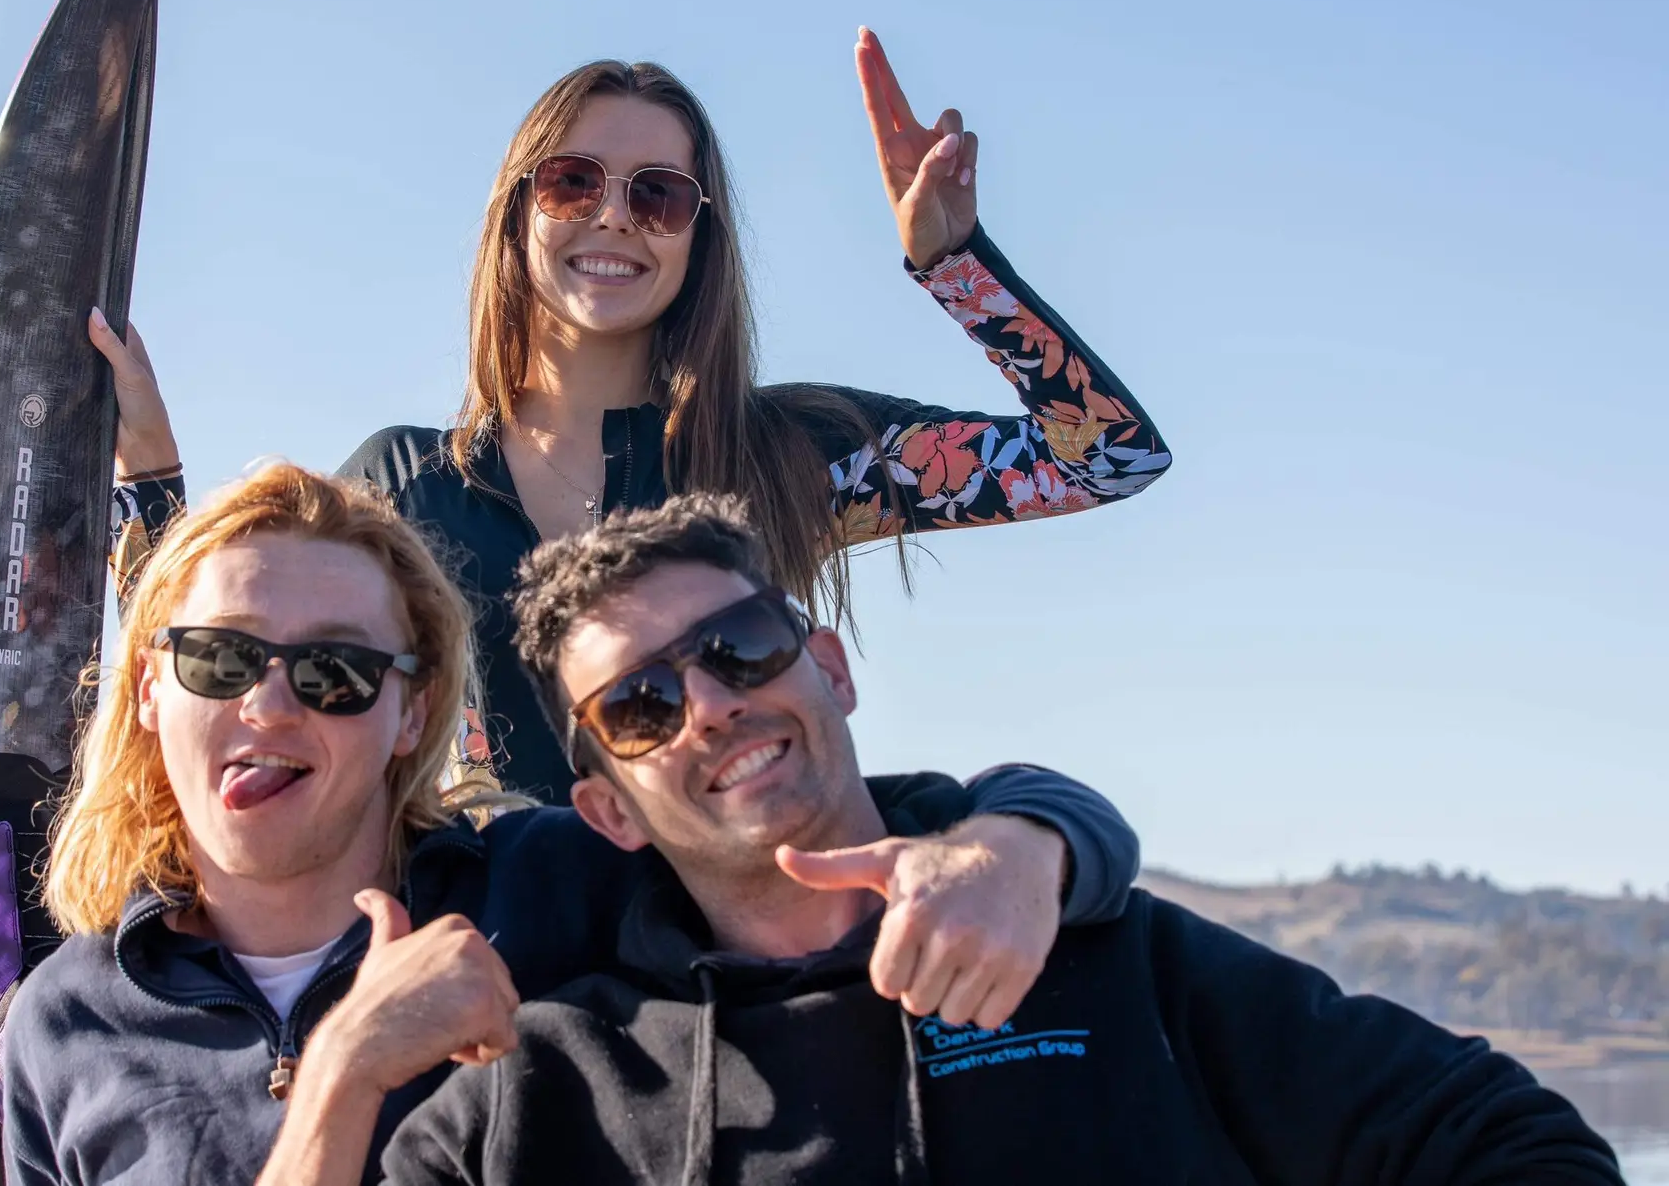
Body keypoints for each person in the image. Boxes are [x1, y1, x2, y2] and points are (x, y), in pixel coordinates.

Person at [276, 494, 1622, 1186]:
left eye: (740, 647)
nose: (713, 704)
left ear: (832, 667)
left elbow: (1522, 1148)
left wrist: (1035, 850)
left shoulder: (1114, 970)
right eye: (640, 702)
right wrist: (338, 1066)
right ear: (608, 807)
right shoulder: (548, 1093)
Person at [92, 30, 1172, 799]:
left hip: (715, 988)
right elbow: (222, 668)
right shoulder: (399, 486)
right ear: (518, 215)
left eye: (656, 194)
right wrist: (147, 475)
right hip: (474, 996)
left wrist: (954, 264)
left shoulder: (788, 456)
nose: (613, 215)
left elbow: (1107, 457)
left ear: (696, 235)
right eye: (572, 182)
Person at [0, 463, 1142, 1186]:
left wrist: (1023, 850)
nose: (270, 699)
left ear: (410, 713)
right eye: (221, 656)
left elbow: (865, 819)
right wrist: (344, 1068)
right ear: (149, 690)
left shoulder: (548, 882)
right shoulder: (67, 1023)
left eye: (336, 670)